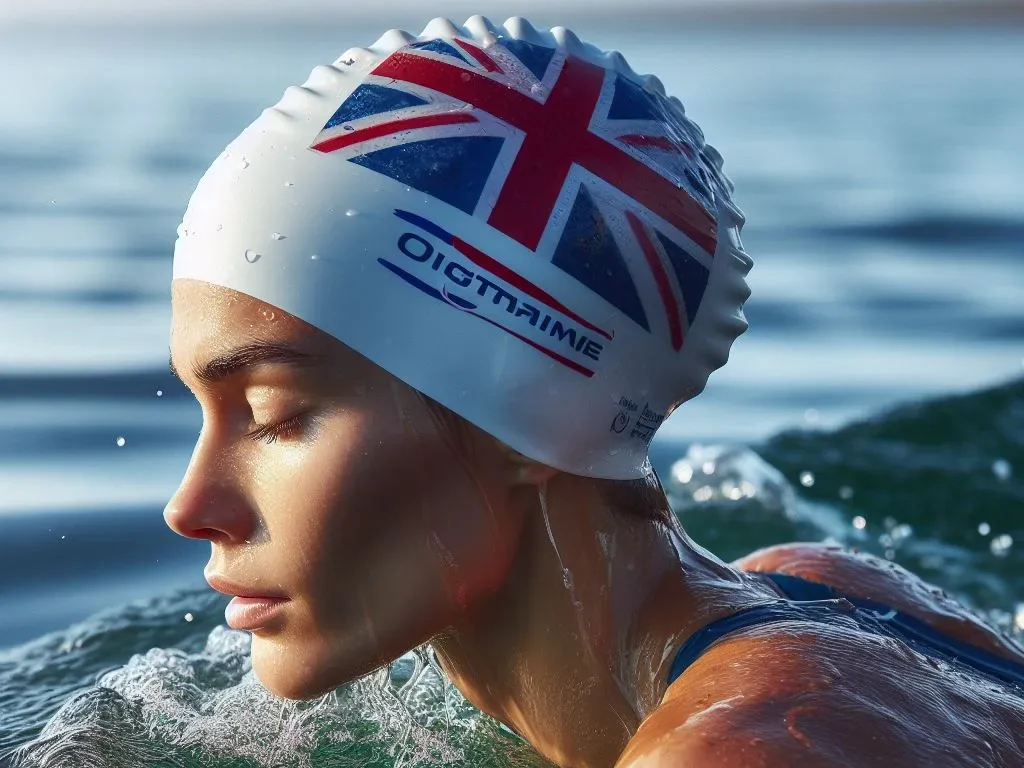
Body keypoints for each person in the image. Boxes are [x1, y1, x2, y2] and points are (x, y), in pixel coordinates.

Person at [163, 16, 1024, 767]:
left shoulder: (743, 745)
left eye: (274, 415)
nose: (190, 506)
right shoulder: (823, 589)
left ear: (531, 408)